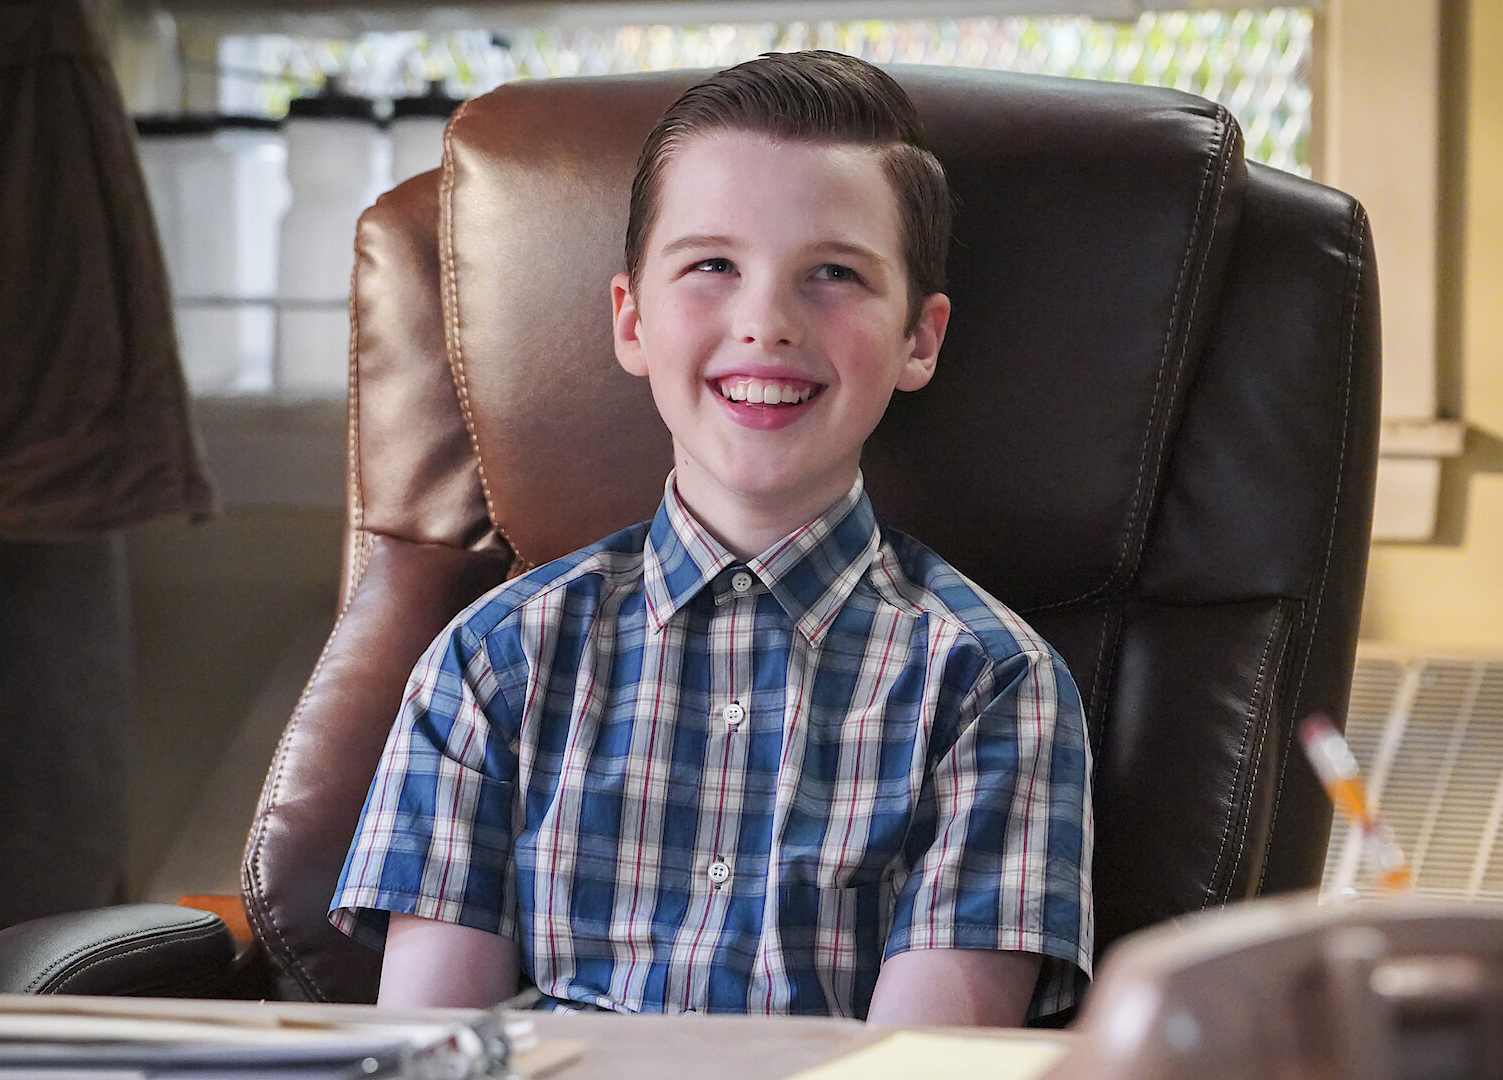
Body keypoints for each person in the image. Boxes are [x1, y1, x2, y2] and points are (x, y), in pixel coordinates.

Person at [331, 50, 1093, 1026]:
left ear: (920, 338)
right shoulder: (491, 666)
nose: (765, 322)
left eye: (833, 274)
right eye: (712, 267)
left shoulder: (990, 688)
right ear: (632, 319)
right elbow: (429, 1053)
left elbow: (925, 1068)